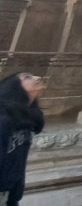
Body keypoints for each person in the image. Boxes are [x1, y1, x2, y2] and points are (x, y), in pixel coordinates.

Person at [0, 73, 45, 206]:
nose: (38, 77)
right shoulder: (3, 119)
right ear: (13, 87)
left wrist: (16, 193)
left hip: (10, 193)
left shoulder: (24, 120)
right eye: (27, 77)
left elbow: (18, 160)